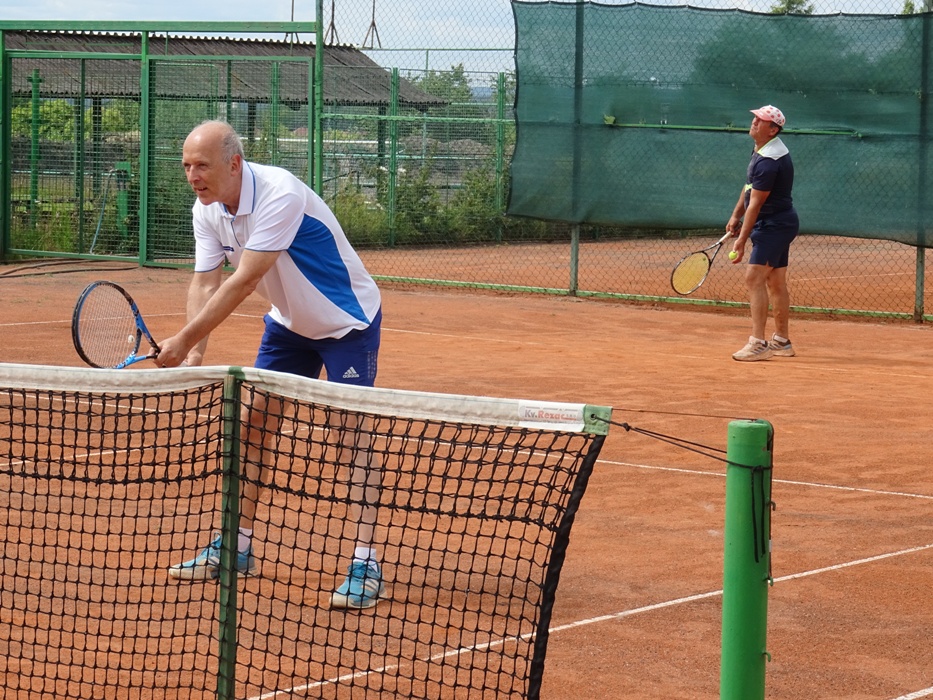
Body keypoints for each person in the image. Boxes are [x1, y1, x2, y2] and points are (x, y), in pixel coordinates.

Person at [156, 119, 386, 609]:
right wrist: (195, 352)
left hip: (347, 322)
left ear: (234, 164)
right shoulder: (208, 210)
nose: (192, 176)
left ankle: (367, 563)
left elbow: (240, 283)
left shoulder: (279, 192)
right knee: (253, 425)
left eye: (202, 166)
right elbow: (204, 282)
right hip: (289, 325)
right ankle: (235, 548)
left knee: (349, 432)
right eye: (186, 167)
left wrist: (180, 341)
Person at [726, 104, 799, 362]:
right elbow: (748, 187)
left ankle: (758, 344)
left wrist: (742, 240)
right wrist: (736, 215)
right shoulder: (762, 149)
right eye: (755, 118)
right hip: (777, 224)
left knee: (753, 278)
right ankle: (781, 340)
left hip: (774, 226)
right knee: (775, 282)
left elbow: (756, 204)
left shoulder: (770, 161)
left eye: (761, 120)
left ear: (773, 129)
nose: (755, 122)